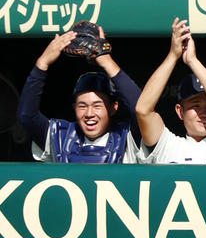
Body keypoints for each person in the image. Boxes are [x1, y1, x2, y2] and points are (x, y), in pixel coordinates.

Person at [18, 23, 141, 163]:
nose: (89, 114)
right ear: (74, 107)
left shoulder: (127, 137)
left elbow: (141, 109)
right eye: (82, 106)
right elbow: (26, 116)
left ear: (114, 107)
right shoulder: (59, 135)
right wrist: (42, 63)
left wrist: (106, 61)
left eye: (97, 106)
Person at [136, 18, 206, 165]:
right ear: (180, 111)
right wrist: (172, 56)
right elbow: (143, 110)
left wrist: (192, 61)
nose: (204, 112)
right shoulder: (167, 145)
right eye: (195, 105)